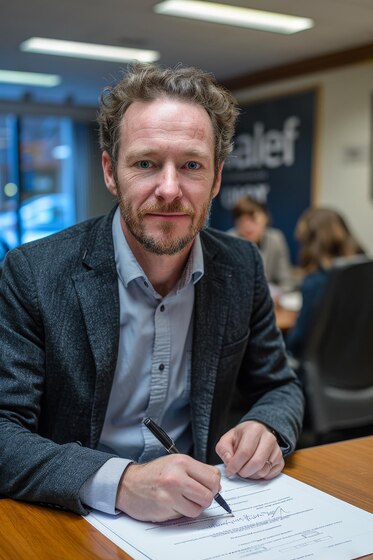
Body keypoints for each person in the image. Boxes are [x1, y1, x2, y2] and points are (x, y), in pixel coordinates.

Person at [0, 64, 304, 523]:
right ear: (110, 171)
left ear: (216, 178)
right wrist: (120, 482)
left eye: (191, 165)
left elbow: (278, 386)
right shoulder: (34, 273)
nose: (169, 188)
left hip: (204, 518)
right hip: (73, 523)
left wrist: (265, 425)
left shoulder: (241, 266)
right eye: (145, 163)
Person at [285, 207, 364, 360]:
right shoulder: (362, 272)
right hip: (360, 368)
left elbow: (297, 343)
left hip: (319, 373)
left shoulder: (315, 282)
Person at [228, 196, 293, 292]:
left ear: (265, 218)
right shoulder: (229, 241)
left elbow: (286, 281)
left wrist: (278, 293)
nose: (247, 225)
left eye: (252, 219)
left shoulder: (275, 239)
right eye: (241, 220)